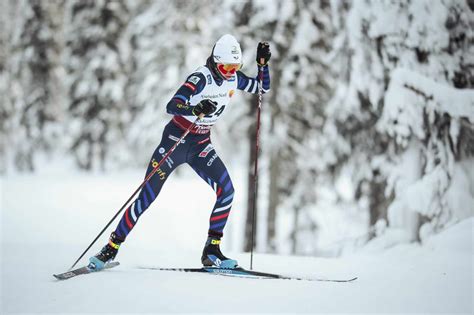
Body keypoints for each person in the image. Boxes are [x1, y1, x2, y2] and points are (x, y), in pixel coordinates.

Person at [89, 34, 271, 270]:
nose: (230, 72)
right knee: (146, 197)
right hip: (176, 140)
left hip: (200, 145)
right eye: (226, 66)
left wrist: (262, 66)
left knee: (227, 191)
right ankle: (111, 248)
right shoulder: (201, 78)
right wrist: (194, 107)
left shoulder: (233, 79)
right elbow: (172, 105)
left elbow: (261, 87)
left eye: (235, 67)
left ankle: (212, 251)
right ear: (216, 62)